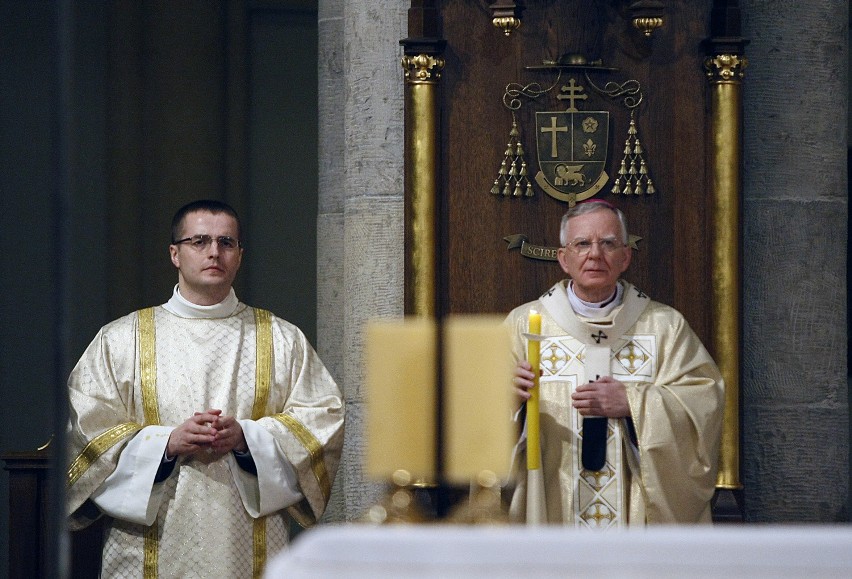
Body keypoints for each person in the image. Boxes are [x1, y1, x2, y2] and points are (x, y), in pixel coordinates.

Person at [65, 199, 345, 577]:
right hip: (146, 545)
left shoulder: (281, 340)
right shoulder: (121, 339)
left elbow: (321, 422)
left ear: (240, 255)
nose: (214, 252)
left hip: (246, 545)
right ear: (175, 254)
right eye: (199, 241)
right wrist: (166, 444)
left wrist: (248, 438)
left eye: (226, 243)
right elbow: (87, 432)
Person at [506, 200, 724, 527]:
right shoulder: (523, 325)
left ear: (625, 257)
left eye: (608, 243)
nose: (595, 254)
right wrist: (507, 399)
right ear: (564, 259)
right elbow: (477, 416)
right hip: (553, 506)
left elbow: (703, 406)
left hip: (636, 515)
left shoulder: (665, 327)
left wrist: (634, 404)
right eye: (582, 244)